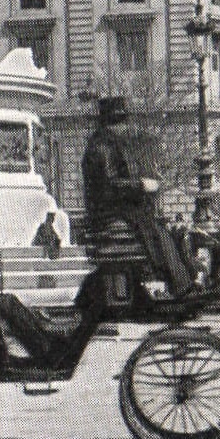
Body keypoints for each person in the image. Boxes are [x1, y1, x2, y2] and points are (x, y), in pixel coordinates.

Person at [81, 97, 197, 299]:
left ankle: (183, 280)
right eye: (122, 122)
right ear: (113, 123)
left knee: (161, 228)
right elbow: (110, 185)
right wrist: (142, 185)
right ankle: (181, 285)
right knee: (154, 229)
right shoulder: (102, 146)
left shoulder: (106, 144)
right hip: (107, 212)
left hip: (115, 209)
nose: (126, 128)